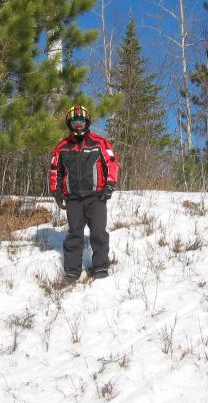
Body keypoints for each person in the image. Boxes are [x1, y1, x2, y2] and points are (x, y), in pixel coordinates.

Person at [49, 105, 119, 283]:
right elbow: (55, 170)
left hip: (96, 196)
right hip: (73, 198)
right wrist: (56, 191)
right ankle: (72, 269)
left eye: (81, 122)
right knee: (74, 234)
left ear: (87, 123)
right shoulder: (62, 147)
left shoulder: (99, 143)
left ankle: (101, 265)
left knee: (98, 232)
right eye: (75, 122)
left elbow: (111, 163)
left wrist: (110, 185)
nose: (78, 125)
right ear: (69, 124)